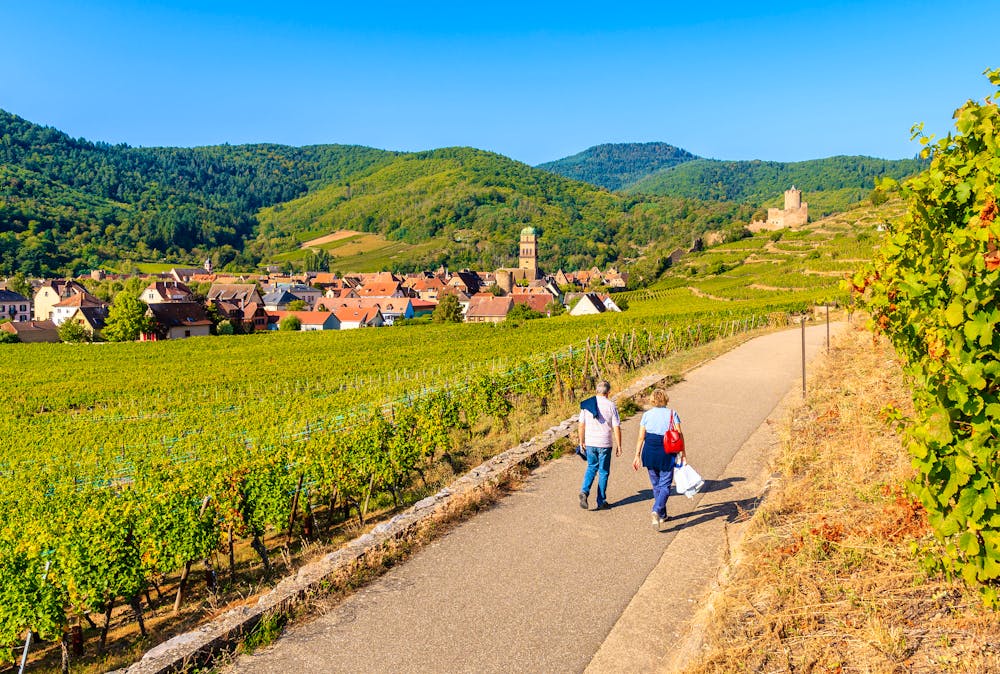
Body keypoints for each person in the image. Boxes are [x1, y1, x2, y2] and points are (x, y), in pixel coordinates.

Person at [632, 388, 685, 530]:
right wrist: (683, 453)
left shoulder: (647, 415)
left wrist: (637, 455)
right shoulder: (672, 414)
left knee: (656, 485)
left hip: (649, 451)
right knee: (666, 485)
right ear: (665, 399)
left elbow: (641, 437)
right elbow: (679, 435)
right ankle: (657, 509)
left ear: (652, 400)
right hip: (666, 451)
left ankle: (662, 515)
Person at [578, 380, 622, 510]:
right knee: (603, 472)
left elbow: (581, 424)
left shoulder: (587, 405)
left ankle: (584, 491)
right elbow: (616, 427)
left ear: (596, 391)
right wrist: (619, 445)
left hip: (590, 442)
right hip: (605, 443)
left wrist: (581, 441)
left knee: (591, 467)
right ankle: (601, 500)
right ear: (608, 392)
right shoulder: (611, 405)